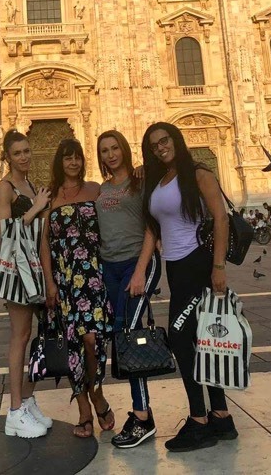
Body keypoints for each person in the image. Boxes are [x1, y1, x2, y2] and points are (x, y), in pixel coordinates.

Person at [141, 122, 237, 452]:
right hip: (177, 267)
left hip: (198, 263)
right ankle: (221, 417)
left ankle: (199, 420)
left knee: (182, 339)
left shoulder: (198, 174)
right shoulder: (159, 179)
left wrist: (219, 267)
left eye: (164, 140)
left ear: (176, 140)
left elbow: (220, 219)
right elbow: (156, 223)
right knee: (201, 338)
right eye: (154, 145)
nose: (160, 147)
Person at [41, 137, 114, 440]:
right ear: (59, 162)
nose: (73, 163)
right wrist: (49, 282)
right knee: (73, 344)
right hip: (66, 278)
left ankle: (96, 392)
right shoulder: (49, 197)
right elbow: (44, 242)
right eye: (67, 158)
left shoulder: (96, 189)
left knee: (92, 339)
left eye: (78, 158)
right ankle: (84, 407)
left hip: (95, 274)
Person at [95, 130, 161, 448]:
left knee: (130, 335)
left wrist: (139, 272)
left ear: (125, 149)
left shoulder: (140, 182)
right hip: (111, 267)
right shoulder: (102, 189)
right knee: (121, 336)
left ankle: (142, 416)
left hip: (138, 263)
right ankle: (142, 412)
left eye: (115, 148)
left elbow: (152, 226)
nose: (110, 155)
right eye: (104, 150)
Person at [0, 129, 52, 439]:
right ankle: (14, 410)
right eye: (18, 153)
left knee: (33, 335)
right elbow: (4, 231)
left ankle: (27, 400)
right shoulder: (5, 188)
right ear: (8, 157)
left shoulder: (28, 184)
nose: (24, 156)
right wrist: (36, 206)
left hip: (34, 267)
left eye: (27, 151)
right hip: (18, 269)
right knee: (19, 336)